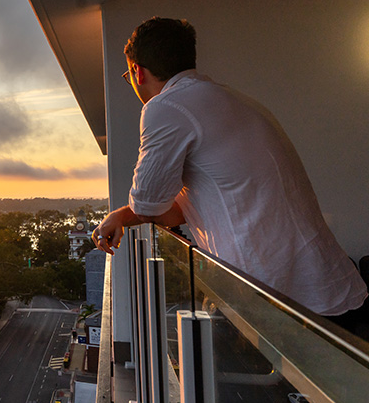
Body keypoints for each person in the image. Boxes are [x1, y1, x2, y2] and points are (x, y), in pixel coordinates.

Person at [93, 17, 367, 327]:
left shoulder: (166, 106)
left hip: (272, 295)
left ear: (137, 72)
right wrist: (122, 217)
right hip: (322, 283)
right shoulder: (234, 100)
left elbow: (148, 204)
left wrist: (126, 214)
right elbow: (182, 209)